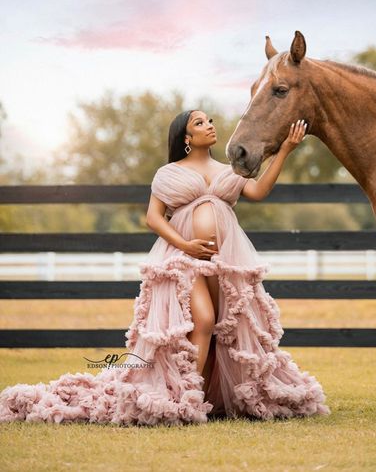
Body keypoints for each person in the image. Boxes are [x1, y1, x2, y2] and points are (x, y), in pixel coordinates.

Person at [0, 109, 329, 426]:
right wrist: (185, 244)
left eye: (210, 120)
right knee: (202, 320)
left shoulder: (229, 170)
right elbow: (153, 217)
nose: (210, 125)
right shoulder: (169, 173)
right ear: (187, 136)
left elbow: (258, 190)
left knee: (225, 327)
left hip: (225, 260)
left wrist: (284, 150)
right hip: (182, 259)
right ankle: (188, 397)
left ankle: (212, 393)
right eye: (200, 122)